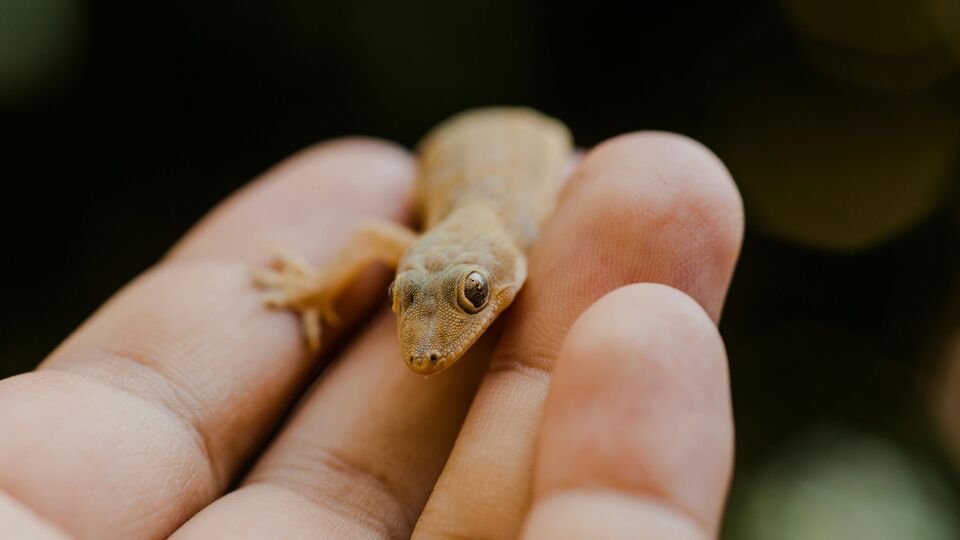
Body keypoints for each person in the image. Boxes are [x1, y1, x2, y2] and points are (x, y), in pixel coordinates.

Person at [0, 131, 744, 539]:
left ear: (506, 272)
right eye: (407, 297)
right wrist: (324, 288)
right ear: (406, 266)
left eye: (471, 298)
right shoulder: (424, 249)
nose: (425, 344)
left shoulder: (533, 230)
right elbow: (367, 236)